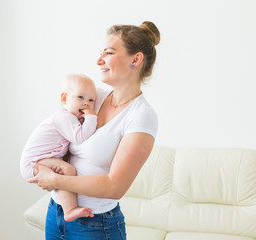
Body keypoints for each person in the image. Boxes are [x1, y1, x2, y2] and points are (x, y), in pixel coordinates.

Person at [27, 21, 160, 240]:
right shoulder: (92, 96)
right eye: (100, 53)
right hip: (55, 212)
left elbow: (114, 186)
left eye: (108, 53)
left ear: (135, 60)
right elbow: (57, 130)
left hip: (96, 225)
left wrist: (56, 181)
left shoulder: (142, 116)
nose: (99, 61)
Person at [20, 73, 97, 222]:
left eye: (91, 100)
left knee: (64, 170)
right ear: (64, 99)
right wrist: (92, 117)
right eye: (80, 97)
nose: (86, 103)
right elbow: (80, 137)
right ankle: (70, 210)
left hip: (43, 160)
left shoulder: (70, 118)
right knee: (68, 170)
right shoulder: (64, 117)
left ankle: (69, 209)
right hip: (33, 162)